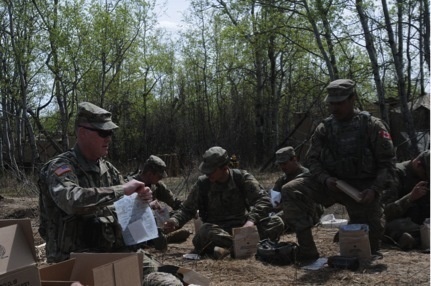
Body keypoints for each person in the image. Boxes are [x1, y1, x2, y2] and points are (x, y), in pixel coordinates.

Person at [38, 102, 183, 285]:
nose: (109, 139)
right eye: (103, 133)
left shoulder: (109, 169)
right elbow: (71, 200)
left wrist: (141, 198)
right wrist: (122, 190)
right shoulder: (61, 167)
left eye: (110, 133)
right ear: (82, 132)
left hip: (116, 252)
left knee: (166, 282)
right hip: (75, 260)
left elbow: (129, 204)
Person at [281, 79, 396, 262]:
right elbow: (312, 160)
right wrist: (325, 179)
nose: (334, 108)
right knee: (290, 190)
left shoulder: (372, 126)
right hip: (330, 184)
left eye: (340, 103)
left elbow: (388, 164)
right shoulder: (324, 129)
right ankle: (308, 252)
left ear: (353, 99)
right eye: (331, 103)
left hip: (362, 190)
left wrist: (374, 190)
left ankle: (355, 228)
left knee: (367, 251)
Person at [163, 146, 284, 259]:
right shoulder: (203, 184)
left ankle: (229, 249)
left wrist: (250, 222)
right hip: (216, 230)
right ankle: (244, 246)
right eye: (206, 171)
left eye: (211, 171)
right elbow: (187, 209)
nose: (207, 174)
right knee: (204, 232)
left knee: (276, 222)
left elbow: (263, 200)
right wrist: (175, 221)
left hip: (243, 226)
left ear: (225, 168)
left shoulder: (241, 178)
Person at [131, 155, 190, 244]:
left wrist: (189, 209)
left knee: (177, 215)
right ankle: (159, 238)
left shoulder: (157, 185)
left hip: (155, 222)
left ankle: (160, 236)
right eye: (159, 176)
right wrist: (149, 207)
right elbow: (127, 212)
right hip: (138, 224)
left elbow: (174, 202)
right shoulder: (130, 185)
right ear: (150, 174)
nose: (161, 178)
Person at [382, 150, 430, 250]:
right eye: (426, 175)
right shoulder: (395, 174)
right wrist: (410, 197)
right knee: (397, 227)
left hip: (421, 220)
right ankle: (413, 240)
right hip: (400, 221)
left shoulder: (423, 175)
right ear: (418, 164)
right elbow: (385, 212)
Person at [271, 146, 323, 228]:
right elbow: (274, 196)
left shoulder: (306, 175)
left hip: (307, 214)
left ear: (294, 159)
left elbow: (307, 202)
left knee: (274, 221)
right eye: (280, 164)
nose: (282, 167)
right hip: (288, 211)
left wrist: (282, 206)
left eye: (284, 163)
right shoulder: (283, 179)